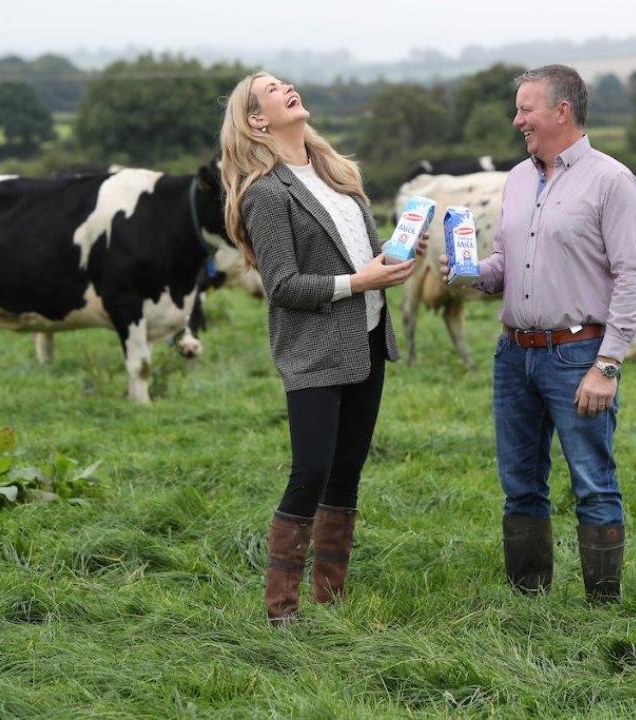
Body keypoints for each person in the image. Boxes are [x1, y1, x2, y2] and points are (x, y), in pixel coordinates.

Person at [220, 72, 425, 622]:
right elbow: (282, 287)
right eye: (270, 88)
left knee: (347, 471)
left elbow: (369, 254)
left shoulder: (339, 173)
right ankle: (280, 611)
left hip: (368, 341)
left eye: (286, 82)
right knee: (310, 470)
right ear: (257, 119)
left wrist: (401, 255)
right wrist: (360, 283)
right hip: (312, 351)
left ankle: (331, 599)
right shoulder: (266, 193)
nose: (287, 88)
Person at [442, 64, 636, 601]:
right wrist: (467, 274)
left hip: (578, 354)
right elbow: (505, 264)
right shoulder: (516, 179)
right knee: (519, 483)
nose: (517, 120)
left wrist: (607, 365)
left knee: (593, 482)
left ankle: (603, 609)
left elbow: (633, 279)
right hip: (514, 354)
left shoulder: (612, 181)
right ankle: (528, 600)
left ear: (562, 111)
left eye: (525, 109)